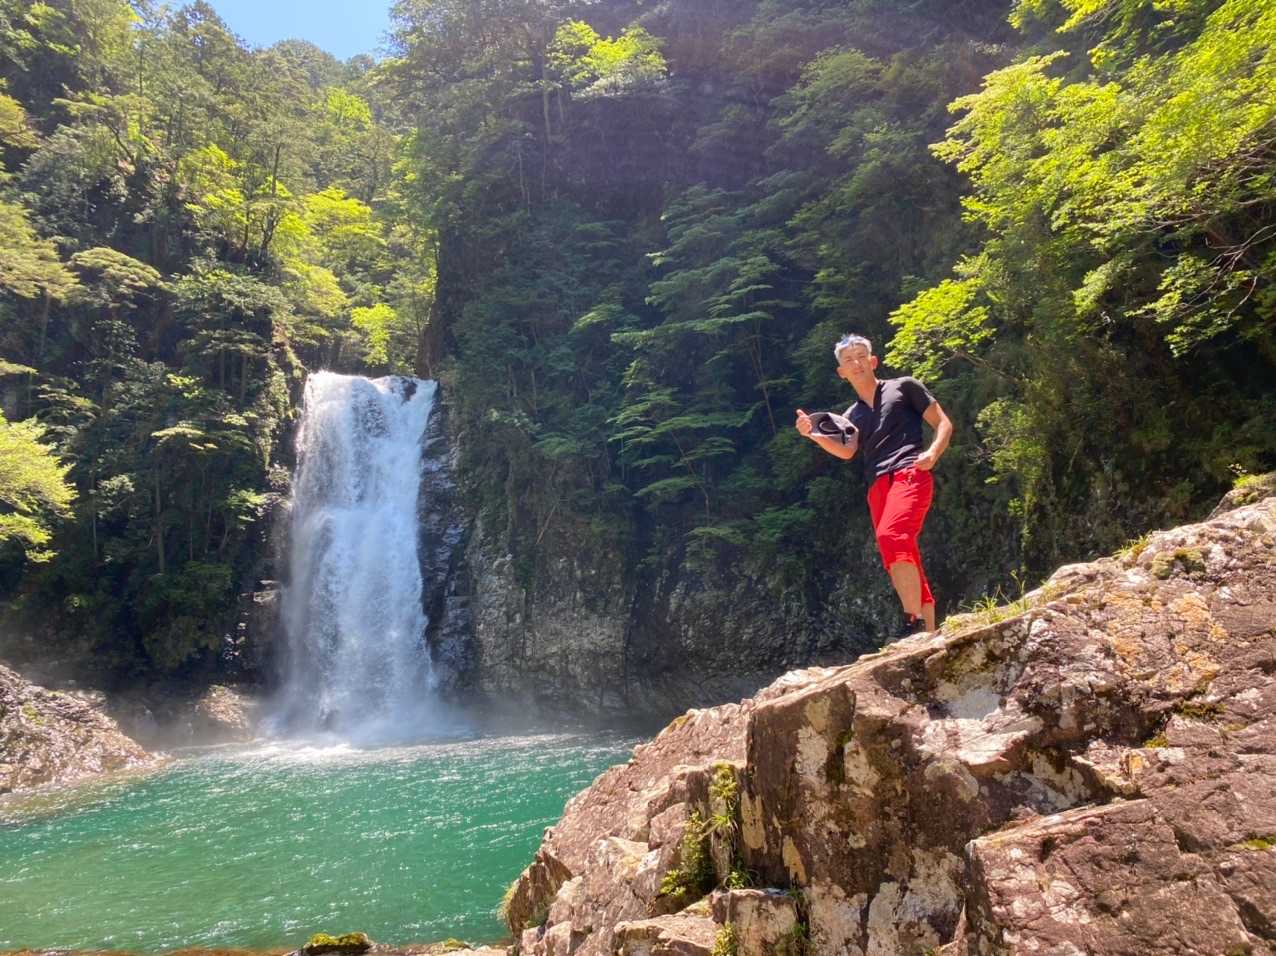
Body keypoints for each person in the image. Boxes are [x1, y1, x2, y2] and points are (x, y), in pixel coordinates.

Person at [795, 333, 952, 637]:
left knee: (892, 536)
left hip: (909, 471)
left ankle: (913, 622)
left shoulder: (904, 387)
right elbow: (847, 451)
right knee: (899, 553)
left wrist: (933, 453)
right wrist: (812, 434)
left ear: (873, 361)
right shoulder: (850, 416)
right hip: (877, 486)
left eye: (860, 357)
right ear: (841, 372)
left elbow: (943, 422)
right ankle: (928, 636)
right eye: (848, 360)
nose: (856, 363)